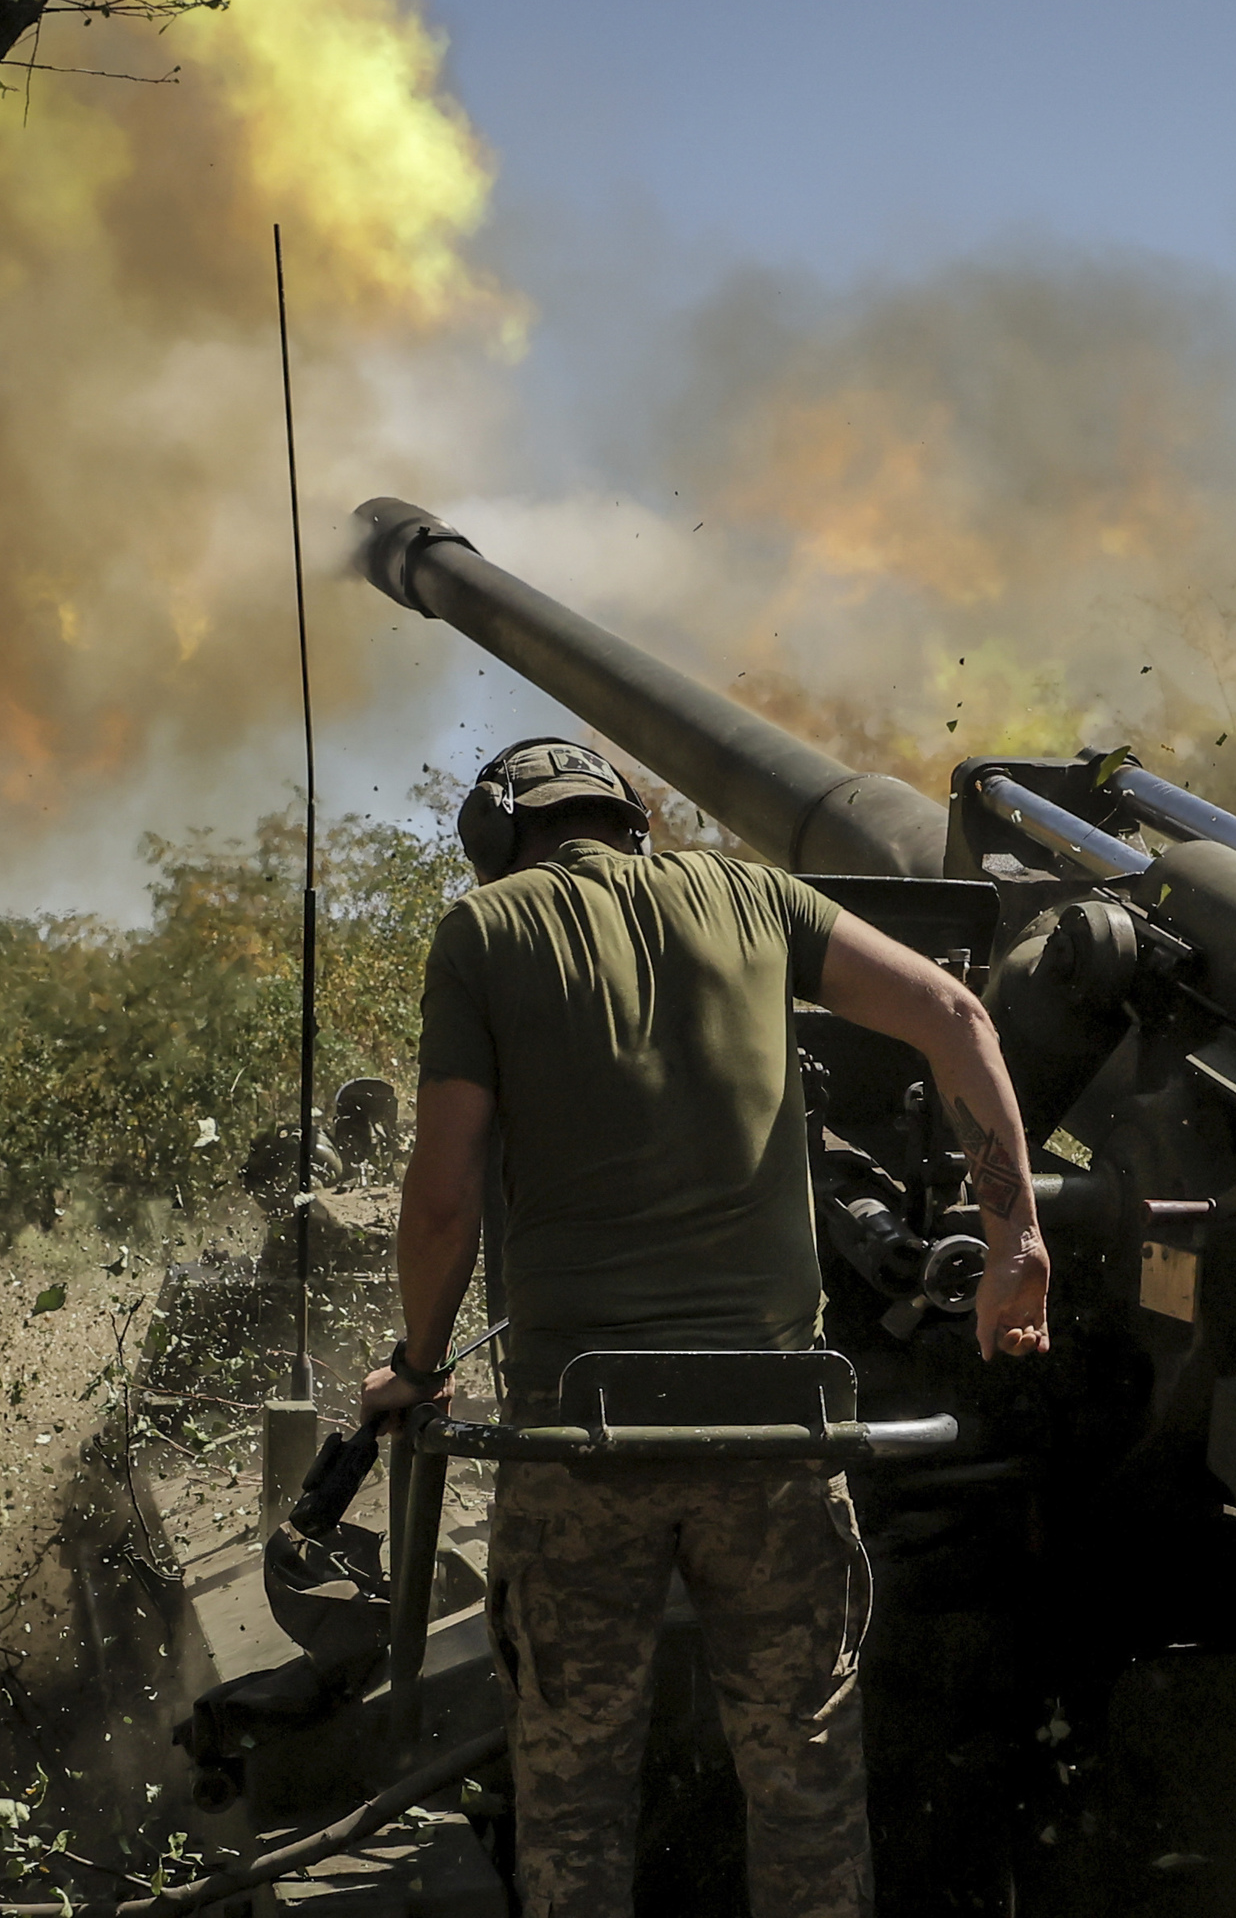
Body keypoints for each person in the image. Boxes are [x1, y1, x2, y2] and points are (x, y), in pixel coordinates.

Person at [358, 737, 1052, 1918]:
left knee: (575, 1795)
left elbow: (442, 1196)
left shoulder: (485, 931)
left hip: (584, 1437)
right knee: (806, 1782)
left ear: (494, 837)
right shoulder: (756, 894)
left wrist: (416, 1367)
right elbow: (950, 1011)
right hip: (779, 1426)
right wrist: (1016, 1244)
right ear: (637, 818)